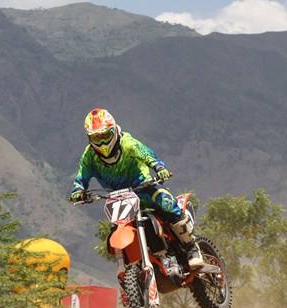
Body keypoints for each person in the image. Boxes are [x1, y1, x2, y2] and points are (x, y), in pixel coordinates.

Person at [69, 108, 204, 269]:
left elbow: (147, 155)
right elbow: (81, 177)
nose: (102, 142)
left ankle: (191, 247)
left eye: (105, 135)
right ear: (89, 137)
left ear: (113, 131)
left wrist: (159, 168)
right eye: (96, 137)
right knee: (116, 228)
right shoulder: (89, 156)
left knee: (166, 202)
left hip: (143, 187)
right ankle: (137, 265)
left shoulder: (127, 143)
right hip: (118, 198)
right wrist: (78, 191)